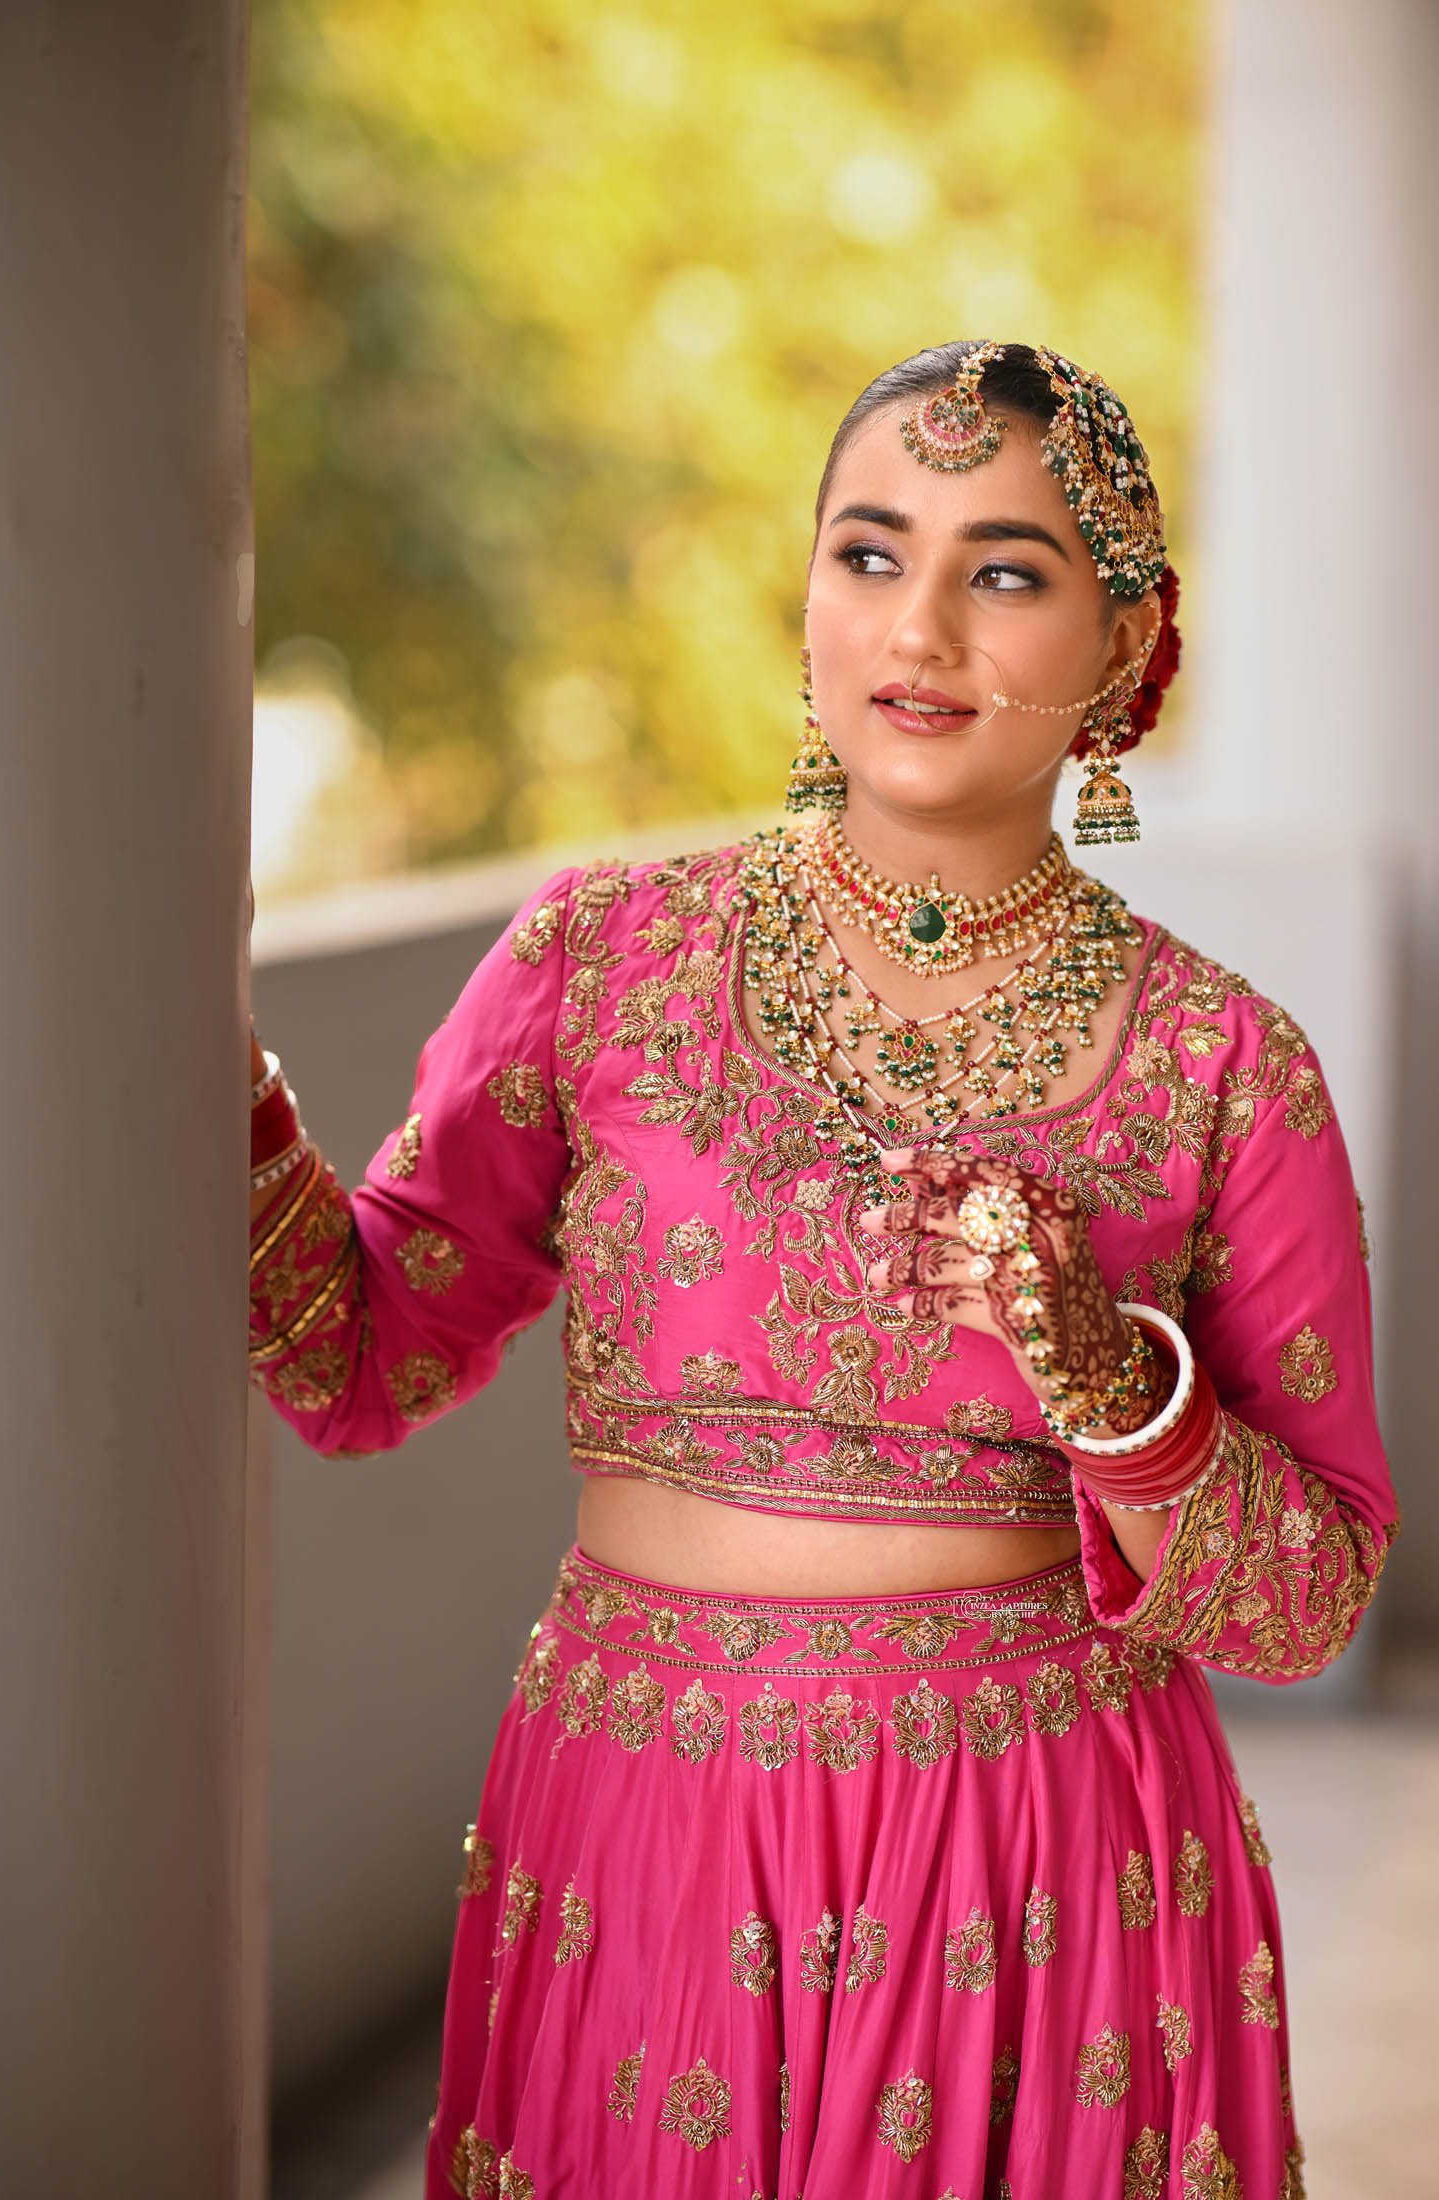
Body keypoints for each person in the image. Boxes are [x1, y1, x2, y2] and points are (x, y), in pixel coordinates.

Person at [247, 340, 1399, 2200]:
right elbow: (357, 1360)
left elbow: (1307, 1602)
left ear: (1129, 645)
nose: (918, 627)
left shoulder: (1223, 1067)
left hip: (1033, 1865)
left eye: (1004, 571)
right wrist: (201, 1064)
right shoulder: (603, 960)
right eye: (870, 553)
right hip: (649, 1824)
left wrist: (1109, 1374)